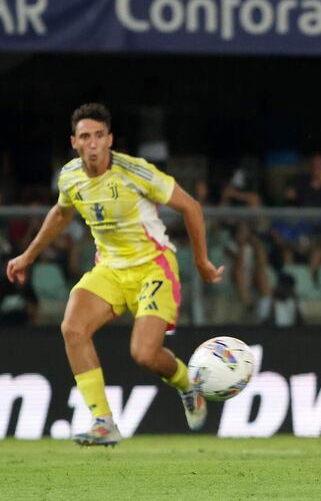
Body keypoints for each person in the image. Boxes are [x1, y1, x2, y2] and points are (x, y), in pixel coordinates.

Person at [6, 103, 224, 446]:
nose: (92, 144)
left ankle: (186, 385)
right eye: (84, 137)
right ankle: (103, 421)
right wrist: (29, 255)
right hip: (109, 269)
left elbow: (190, 207)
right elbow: (62, 213)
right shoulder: (70, 177)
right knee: (72, 328)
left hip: (154, 267)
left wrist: (201, 261)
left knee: (144, 354)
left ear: (109, 139)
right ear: (74, 142)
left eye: (98, 136)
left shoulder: (135, 172)